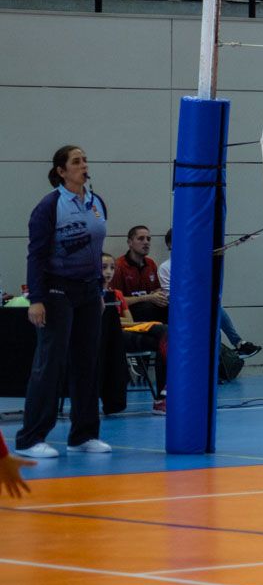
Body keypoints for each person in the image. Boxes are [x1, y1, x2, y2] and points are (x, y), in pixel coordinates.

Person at [13, 145, 112, 460]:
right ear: (61, 171)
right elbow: (36, 255)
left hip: (87, 292)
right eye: (76, 161)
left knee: (87, 363)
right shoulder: (49, 206)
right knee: (50, 364)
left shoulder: (97, 203)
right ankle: (30, 438)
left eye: (85, 159)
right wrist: (37, 299)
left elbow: (97, 253)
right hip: (56, 291)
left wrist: (98, 291)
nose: (83, 165)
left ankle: (83, 435)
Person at [157, 227, 260, 359]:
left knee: (213, 314)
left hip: (200, 306)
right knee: (211, 309)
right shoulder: (165, 267)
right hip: (180, 309)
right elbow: (171, 296)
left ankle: (233, 349)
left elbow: (204, 288)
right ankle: (238, 344)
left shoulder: (194, 265)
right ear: (170, 244)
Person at [99, 254, 168, 415]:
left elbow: (127, 320)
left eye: (112, 268)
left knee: (166, 335)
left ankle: (163, 397)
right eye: (104, 268)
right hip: (109, 338)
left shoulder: (117, 294)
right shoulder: (91, 294)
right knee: (164, 331)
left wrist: (130, 323)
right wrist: (118, 321)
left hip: (126, 332)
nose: (108, 272)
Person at [111, 224, 167, 323]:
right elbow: (117, 301)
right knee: (147, 307)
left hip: (149, 309)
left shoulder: (150, 263)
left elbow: (156, 289)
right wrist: (147, 298)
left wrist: (159, 295)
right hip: (129, 312)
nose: (146, 242)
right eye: (141, 239)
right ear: (130, 242)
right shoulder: (118, 266)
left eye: (148, 239)